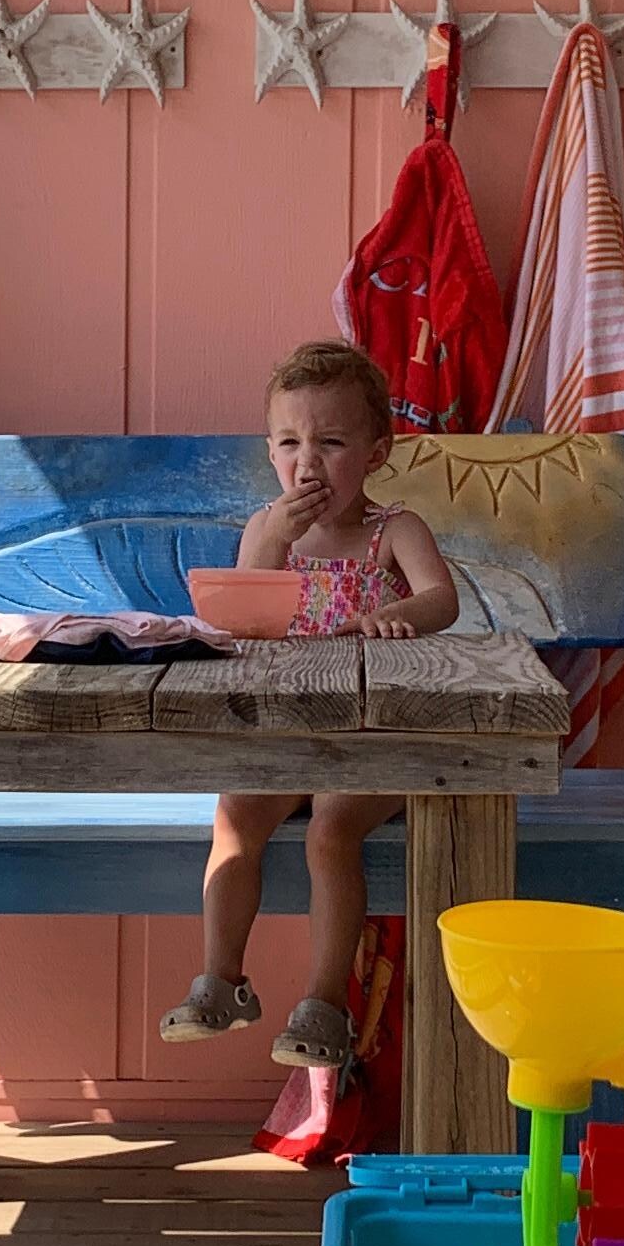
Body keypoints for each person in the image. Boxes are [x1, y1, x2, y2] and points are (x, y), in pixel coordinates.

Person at [159, 336, 461, 1069]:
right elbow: (240, 611)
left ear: (376, 454)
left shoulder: (393, 533)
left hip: (372, 738)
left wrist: (400, 618)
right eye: (291, 442)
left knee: (331, 832)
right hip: (286, 738)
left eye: (330, 442)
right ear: (270, 453)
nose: (309, 461)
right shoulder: (267, 530)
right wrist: (274, 541)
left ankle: (326, 1003)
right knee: (235, 814)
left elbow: (442, 599)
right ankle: (222, 980)